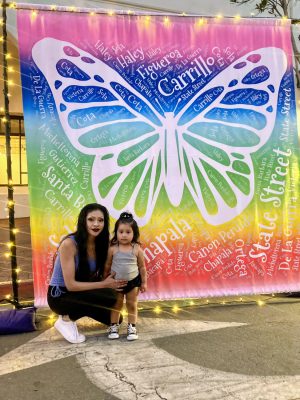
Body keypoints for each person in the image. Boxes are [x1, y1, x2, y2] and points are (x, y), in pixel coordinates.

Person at [47, 203, 127, 344]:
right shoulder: (69, 244)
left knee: (116, 318)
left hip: (82, 293)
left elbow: (106, 274)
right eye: (91, 219)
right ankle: (66, 319)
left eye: (100, 220)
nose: (96, 224)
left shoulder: (102, 244)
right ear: (83, 221)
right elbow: (70, 285)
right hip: (61, 296)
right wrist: (104, 285)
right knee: (108, 295)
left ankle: (80, 311)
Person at [104, 211, 147, 341]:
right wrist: (105, 279)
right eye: (121, 231)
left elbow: (142, 267)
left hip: (133, 282)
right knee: (116, 304)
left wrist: (144, 282)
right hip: (116, 283)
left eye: (128, 232)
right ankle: (113, 326)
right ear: (116, 232)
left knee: (131, 304)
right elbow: (107, 265)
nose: (124, 235)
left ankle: (132, 327)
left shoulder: (137, 249)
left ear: (134, 233)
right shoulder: (113, 249)